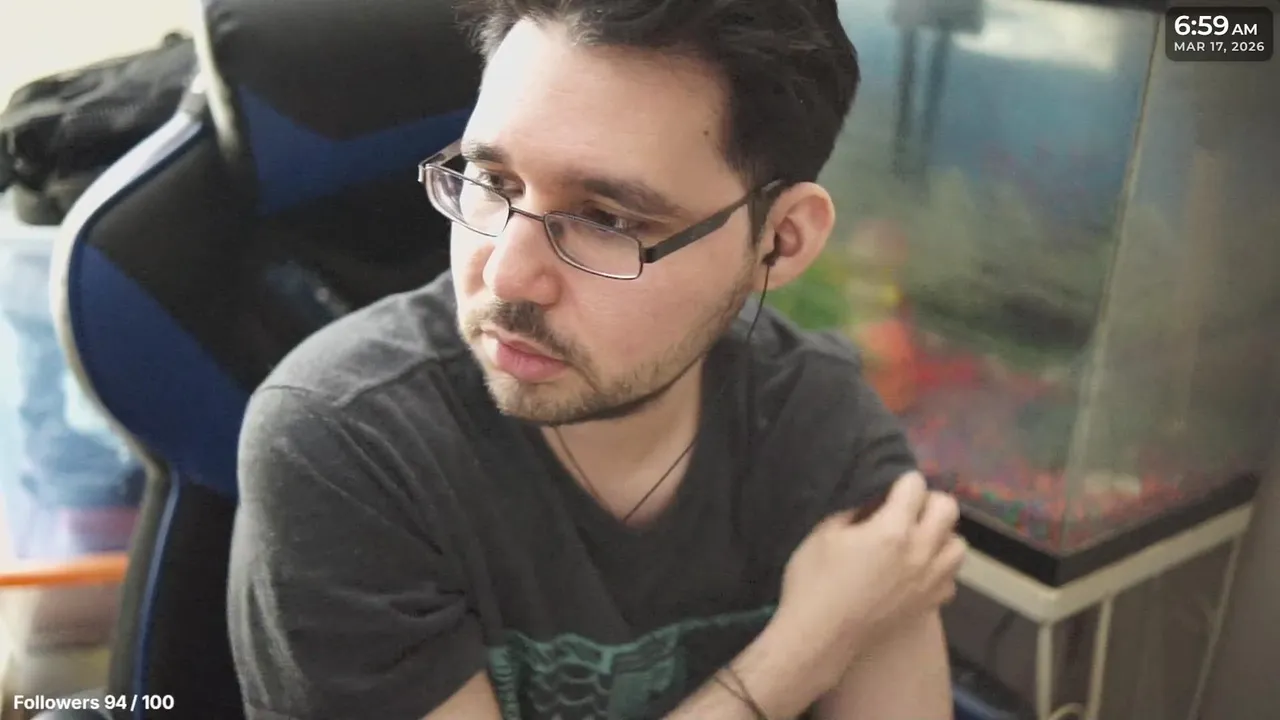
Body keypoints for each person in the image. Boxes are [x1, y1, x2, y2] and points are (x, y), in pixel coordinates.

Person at [227, 0, 967, 718]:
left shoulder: (819, 426)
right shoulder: (349, 440)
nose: (505, 276)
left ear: (780, 240)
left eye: (607, 220)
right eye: (492, 182)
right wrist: (803, 651)